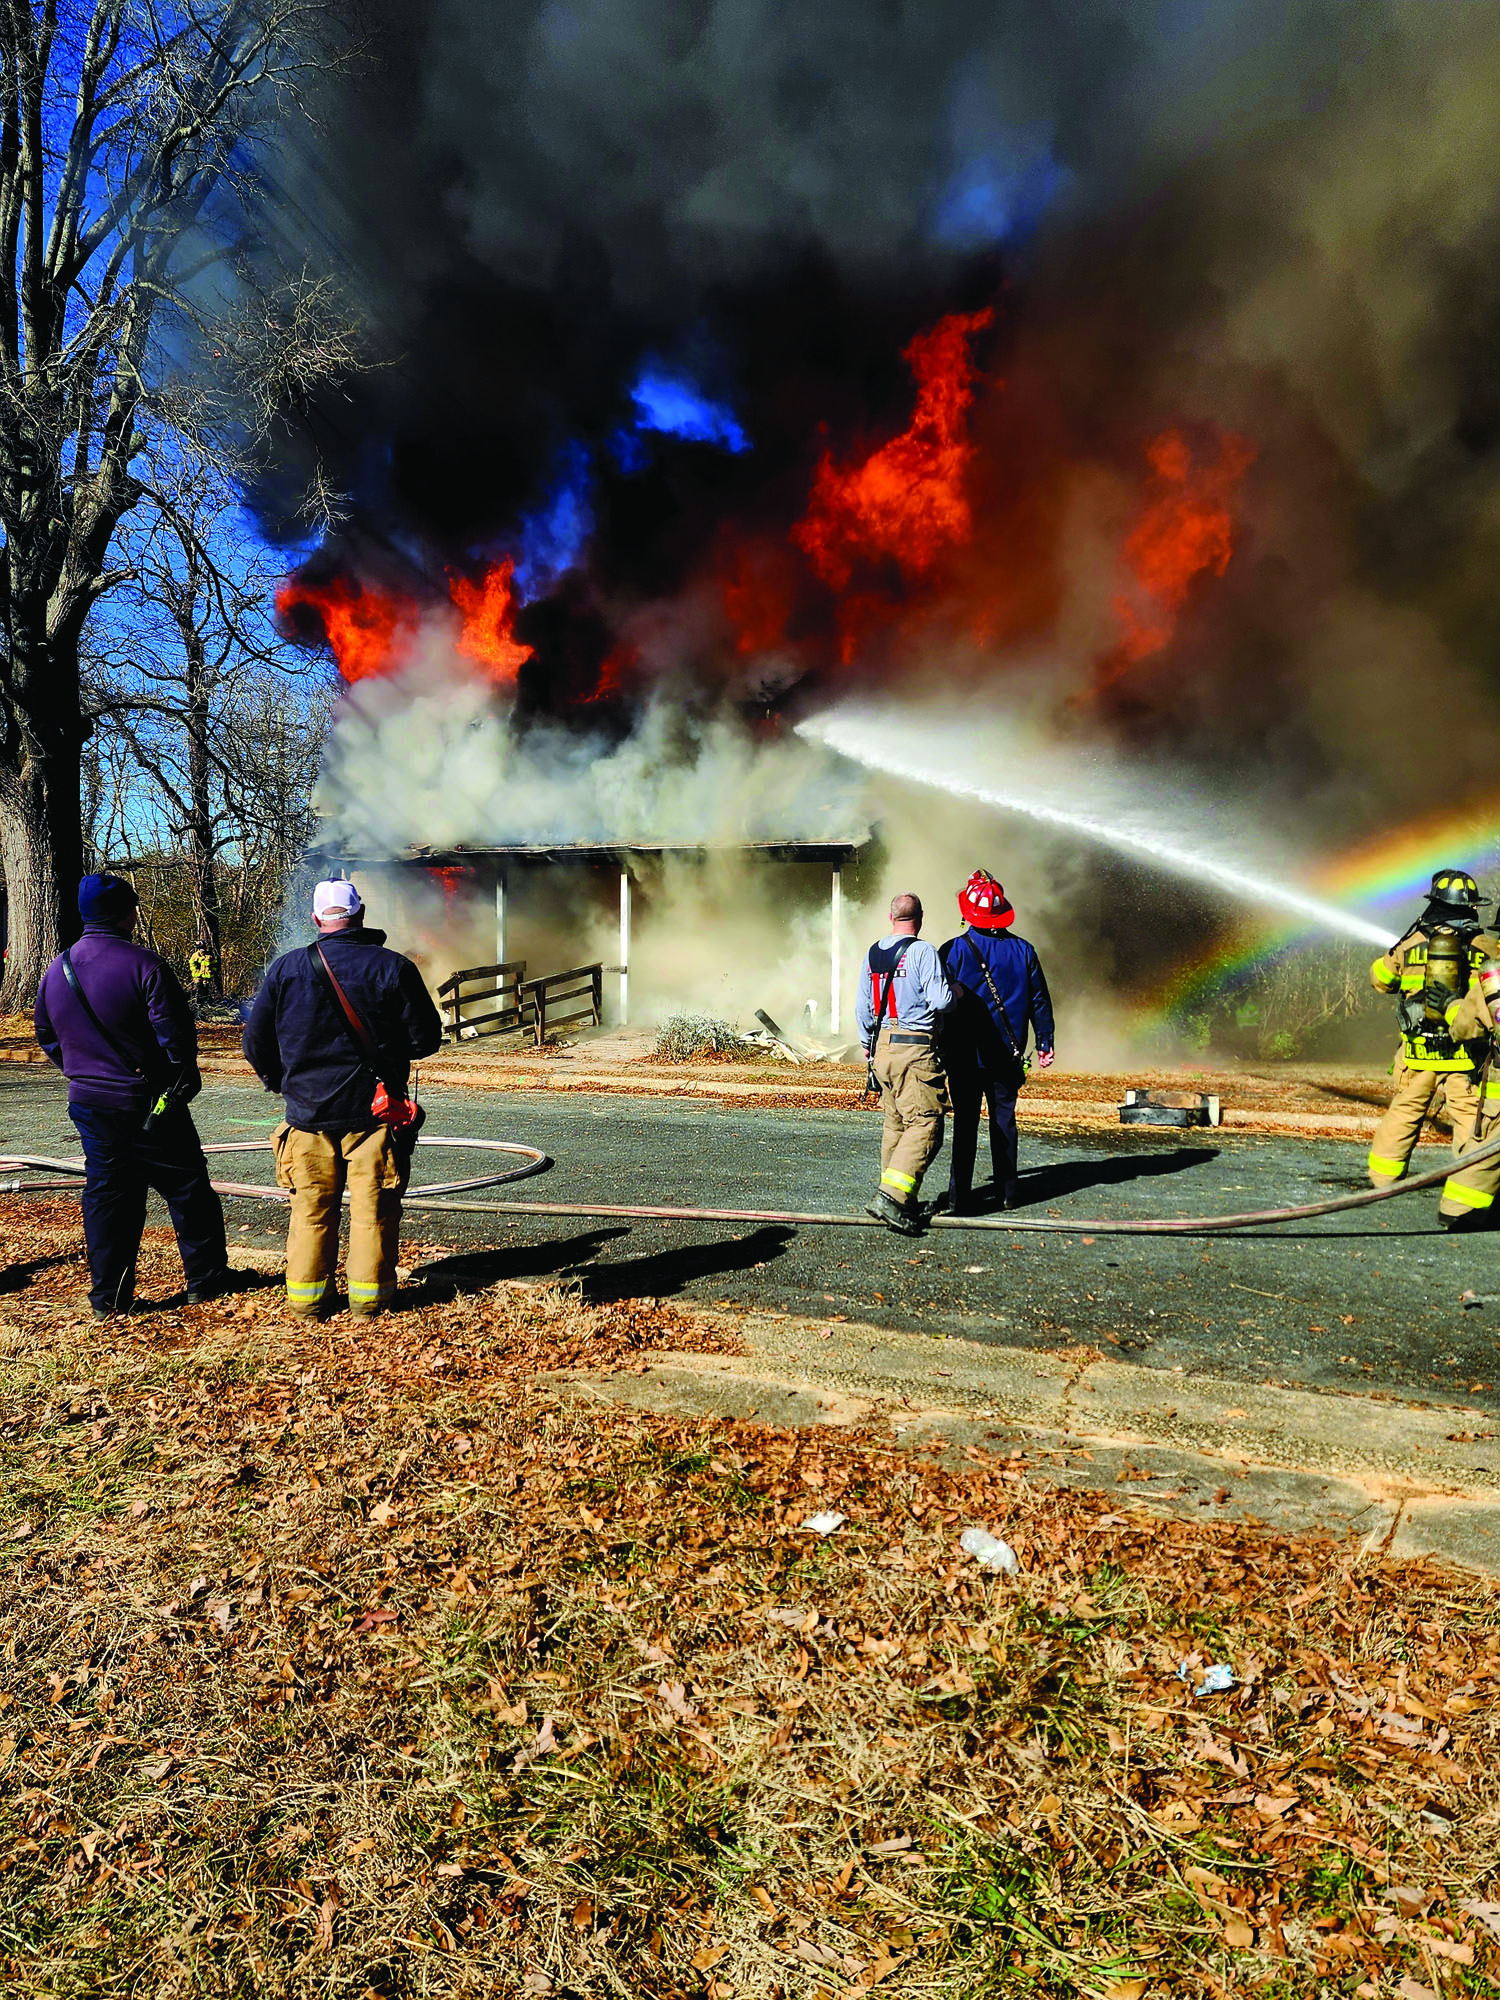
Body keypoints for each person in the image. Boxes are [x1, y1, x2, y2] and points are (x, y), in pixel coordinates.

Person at [244, 879, 443, 1316]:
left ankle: (307, 1305)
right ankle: (370, 1304)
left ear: (316, 920)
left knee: (311, 1211)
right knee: (373, 1212)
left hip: (307, 1118)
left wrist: (284, 1082)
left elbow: (255, 1044)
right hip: (375, 1116)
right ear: (362, 914)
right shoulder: (393, 968)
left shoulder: (285, 969)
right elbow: (426, 1038)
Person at [33, 873, 229, 1315]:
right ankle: (206, 1280)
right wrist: (177, 1077)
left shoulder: (56, 969)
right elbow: (175, 1039)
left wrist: (79, 1071)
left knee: (108, 1196)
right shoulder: (146, 966)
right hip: (149, 1102)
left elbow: (46, 1033)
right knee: (188, 1190)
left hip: (89, 1103)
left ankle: (109, 1296)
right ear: (127, 913)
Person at [1368, 868, 1500, 1227]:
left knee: (1404, 1112)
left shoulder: (1410, 945)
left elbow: (1380, 981)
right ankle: (1466, 1194)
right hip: (1463, 1058)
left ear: (1434, 902)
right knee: (1470, 1121)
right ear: (1471, 907)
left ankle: (1382, 1179)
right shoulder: (1486, 947)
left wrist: (1402, 951)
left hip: (1416, 1057)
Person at [939, 870, 1056, 1213]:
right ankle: (1009, 1192)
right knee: (1004, 1121)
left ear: (967, 913)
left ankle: (960, 1197)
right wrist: (1045, 1040)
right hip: (1008, 1055)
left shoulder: (954, 950)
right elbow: (1039, 1001)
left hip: (964, 1056)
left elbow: (938, 1001)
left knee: (965, 1124)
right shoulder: (1024, 951)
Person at [855, 891, 954, 1235]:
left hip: (882, 1049)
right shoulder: (923, 951)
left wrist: (869, 1050)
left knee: (896, 1124)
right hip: (915, 1052)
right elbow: (941, 1001)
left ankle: (901, 1200)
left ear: (890, 917)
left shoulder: (873, 953)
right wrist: (957, 991)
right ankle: (892, 1197)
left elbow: (863, 1010)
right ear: (920, 917)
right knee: (927, 1122)